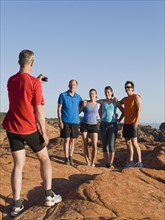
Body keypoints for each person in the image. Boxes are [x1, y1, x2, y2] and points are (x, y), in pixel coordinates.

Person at [2, 50, 62, 217]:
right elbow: (39, 110)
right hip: (29, 129)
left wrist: (36, 81)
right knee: (44, 158)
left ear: (19, 61)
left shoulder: (10, 80)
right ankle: (49, 195)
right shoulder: (35, 84)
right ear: (32, 63)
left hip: (12, 128)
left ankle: (16, 204)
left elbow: (22, 90)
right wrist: (44, 133)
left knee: (18, 165)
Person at [118, 81, 144, 168]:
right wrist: (114, 100)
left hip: (133, 123)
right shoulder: (125, 99)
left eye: (128, 87)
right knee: (128, 143)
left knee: (134, 143)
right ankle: (131, 161)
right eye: (125, 87)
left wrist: (137, 121)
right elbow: (118, 103)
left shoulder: (136, 97)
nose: (127, 89)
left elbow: (139, 109)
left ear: (132, 88)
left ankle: (140, 162)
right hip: (126, 123)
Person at [57, 79, 82, 165]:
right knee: (66, 139)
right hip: (65, 120)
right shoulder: (63, 95)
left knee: (73, 141)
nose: (72, 86)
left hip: (75, 121)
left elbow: (81, 107)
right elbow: (59, 108)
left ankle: (71, 157)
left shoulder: (78, 97)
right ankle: (66, 158)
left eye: (74, 85)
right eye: (71, 84)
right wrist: (60, 120)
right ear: (68, 85)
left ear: (76, 86)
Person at [98, 86, 123, 169]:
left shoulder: (115, 102)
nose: (107, 93)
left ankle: (111, 163)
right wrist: (100, 114)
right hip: (103, 124)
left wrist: (119, 119)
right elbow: (94, 103)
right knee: (104, 145)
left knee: (111, 145)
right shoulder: (102, 101)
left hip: (113, 125)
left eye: (108, 92)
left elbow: (123, 111)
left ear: (112, 92)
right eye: (105, 92)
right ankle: (107, 163)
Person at [80, 89, 101, 167]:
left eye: (93, 94)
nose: (91, 95)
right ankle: (87, 162)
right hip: (84, 124)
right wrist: (82, 106)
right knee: (85, 144)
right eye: (90, 94)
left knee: (94, 145)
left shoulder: (98, 104)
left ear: (96, 95)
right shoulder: (85, 103)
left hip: (94, 125)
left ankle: (92, 162)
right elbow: (79, 111)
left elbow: (101, 114)